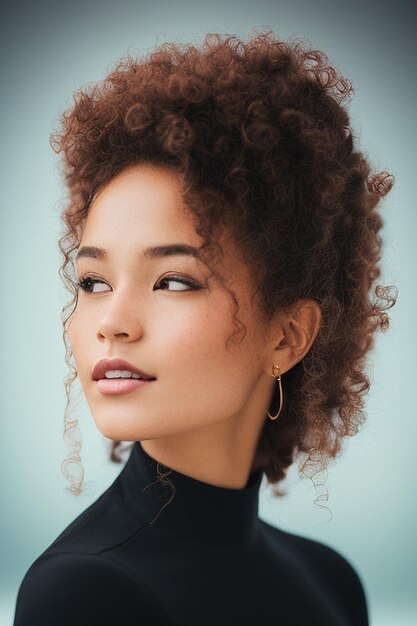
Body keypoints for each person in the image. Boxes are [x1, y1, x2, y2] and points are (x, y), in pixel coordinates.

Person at [13, 30, 397, 625]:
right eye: (93, 283)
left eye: (173, 281)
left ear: (288, 336)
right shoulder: (81, 595)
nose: (111, 323)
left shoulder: (334, 584)